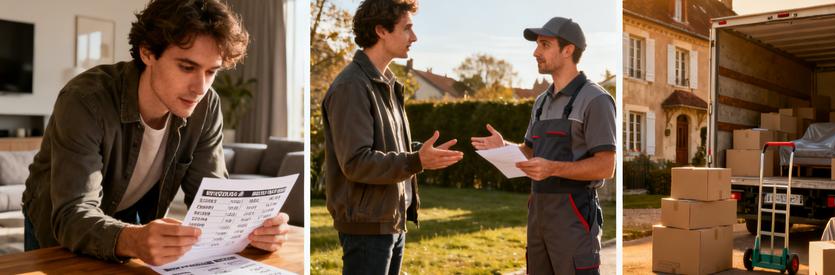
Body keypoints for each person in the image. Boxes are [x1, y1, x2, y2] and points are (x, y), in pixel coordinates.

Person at [22, 0, 291, 266]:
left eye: (211, 71)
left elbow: (213, 202)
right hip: (58, 223)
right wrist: (134, 239)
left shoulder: (206, 105)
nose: (200, 87)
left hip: (128, 219)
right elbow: (72, 214)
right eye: (187, 67)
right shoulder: (85, 100)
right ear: (147, 52)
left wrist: (252, 231)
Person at [321, 0, 464, 274]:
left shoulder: (386, 83)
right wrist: (415, 161)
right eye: (407, 28)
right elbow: (356, 161)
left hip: (391, 221)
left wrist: (422, 153)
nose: (414, 37)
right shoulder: (352, 86)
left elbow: (386, 146)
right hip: (367, 228)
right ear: (381, 31)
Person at [471, 17, 616, 275]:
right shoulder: (540, 102)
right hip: (538, 214)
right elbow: (530, 151)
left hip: (574, 215)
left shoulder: (596, 100)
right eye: (537, 44)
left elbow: (606, 166)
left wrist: (552, 168)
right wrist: (503, 146)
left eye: (545, 44)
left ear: (568, 50)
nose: (536, 52)